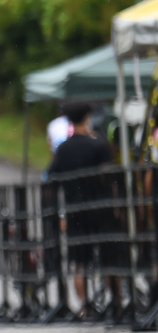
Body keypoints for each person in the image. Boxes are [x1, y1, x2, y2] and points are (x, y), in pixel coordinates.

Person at [46, 101, 115, 318]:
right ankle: (116, 303)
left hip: (75, 209)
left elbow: (51, 178)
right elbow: (110, 177)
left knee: (79, 262)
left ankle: (85, 307)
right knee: (108, 258)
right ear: (87, 118)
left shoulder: (64, 148)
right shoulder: (99, 146)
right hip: (101, 208)